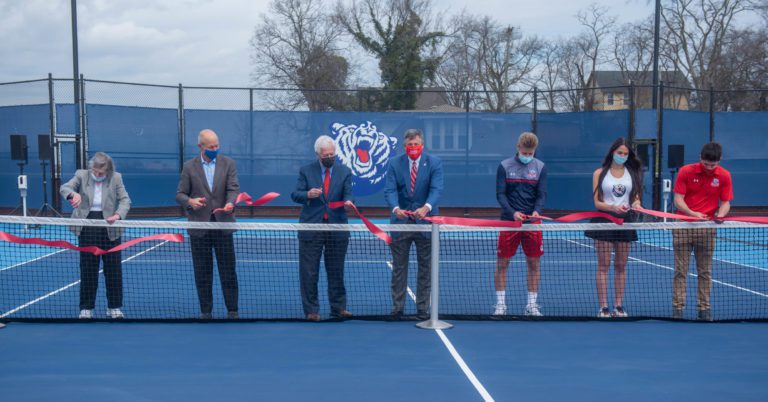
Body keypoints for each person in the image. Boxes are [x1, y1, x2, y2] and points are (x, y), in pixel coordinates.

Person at [176, 129, 240, 320]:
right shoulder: (189, 167)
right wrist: (190, 202)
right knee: (202, 272)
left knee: (228, 271)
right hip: (199, 227)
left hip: (223, 226)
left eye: (217, 146)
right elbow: (180, 194)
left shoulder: (228, 163)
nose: (215, 149)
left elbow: (233, 189)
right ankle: (206, 311)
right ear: (200, 147)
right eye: (211, 147)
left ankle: (233, 310)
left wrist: (230, 203)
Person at [291, 135, 355, 321]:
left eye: (332, 154)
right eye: (326, 154)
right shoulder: (306, 171)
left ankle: (339, 308)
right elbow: (295, 194)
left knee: (336, 270)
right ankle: (311, 311)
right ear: (318, 154)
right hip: (312, 227)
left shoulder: (345, 171)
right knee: (309, 272)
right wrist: (308, 194)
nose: (329, 157)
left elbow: (348, 194)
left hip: (337, 228)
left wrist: (349, 203)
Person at [60, 152, 131, 319]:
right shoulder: (81, 175)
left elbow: (125, 200)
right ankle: (86, 308)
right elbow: (65, 187)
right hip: (87, 226)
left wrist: (118, 215)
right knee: (88, 269)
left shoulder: (116, 178)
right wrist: (73, 194)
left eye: (101, 173)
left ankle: (114, 307)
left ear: (108, 171)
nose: (96, 175)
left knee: (113, 269)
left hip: (110, 226)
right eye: (94, 171)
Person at [384, 128, 444, 320]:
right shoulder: (394, 164)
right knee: (399, 268)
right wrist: (395, 209)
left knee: (425, 267)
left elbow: (436, 189)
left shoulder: (434, 163)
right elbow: (390, 190)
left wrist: (426, 207)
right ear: (404, 146)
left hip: (426, 224)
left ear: (422, 145)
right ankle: (397, 308)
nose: (413, 147)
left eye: (416, 144)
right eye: (409, 145)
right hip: (400, 224)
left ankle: (422, 309)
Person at [672, 142, 732, 321]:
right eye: (706, 164)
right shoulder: (685, 171)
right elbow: (678, 200)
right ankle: (677, 309)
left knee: (705, 271)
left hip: (707, 229)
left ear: (719, 161)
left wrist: (720, 216)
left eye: (713, 165)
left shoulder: (725, 176)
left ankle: (704, 309)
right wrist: (693, 214)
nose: (709, 167)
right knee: (680, 270)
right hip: (683, 226)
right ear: (700, 158)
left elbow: (726, 202)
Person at [584, 138, 643, 318]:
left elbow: (636, 198)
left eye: (625, 154)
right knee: (604, 265)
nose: (622, 156)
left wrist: (637, 204)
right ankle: (603, 307)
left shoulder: (632, 173)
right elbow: (597, 202)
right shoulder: (599, 173)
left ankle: (618, 305)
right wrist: (612, 208)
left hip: (625, 222)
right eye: (620, 153)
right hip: (604, 221)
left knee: (621, 265)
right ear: (612, 153)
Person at [493, 132, 547, 317]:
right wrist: (512, 213)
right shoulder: (504, 166)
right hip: (510, 223)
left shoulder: (540, 167)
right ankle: (500, 305)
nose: (527, 156)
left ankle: (531, 305)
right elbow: (500, 194)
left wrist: (536, 210)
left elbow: (541, 194)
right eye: (525, 152)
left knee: (534, 263)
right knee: (503, 263)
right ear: (518, 148)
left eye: (531, 153)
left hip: (532, 223)